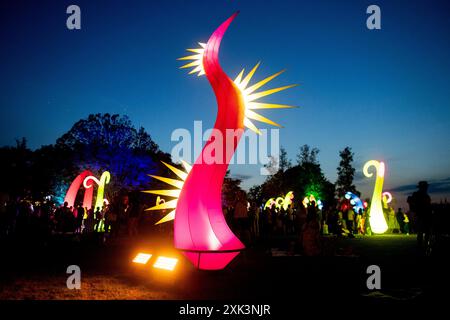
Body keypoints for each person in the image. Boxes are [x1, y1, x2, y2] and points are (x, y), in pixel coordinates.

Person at [408, 181, 432, 251]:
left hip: (424, 215)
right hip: (421, 215)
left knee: (424, 231)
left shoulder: (423, 195)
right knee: (422, 231)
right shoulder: (420, 195)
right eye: (425, 187)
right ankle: (421, 245)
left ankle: (422, 245)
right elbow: (412, 203)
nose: (426, 188)